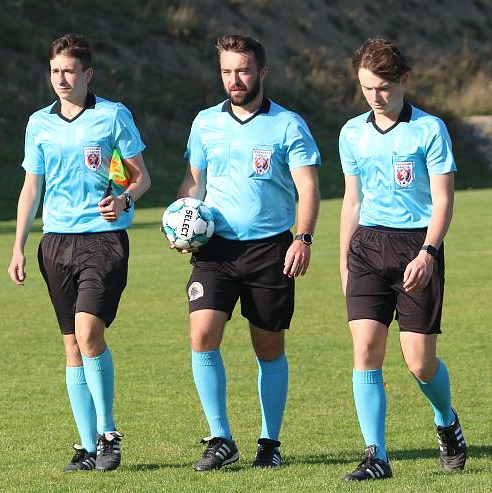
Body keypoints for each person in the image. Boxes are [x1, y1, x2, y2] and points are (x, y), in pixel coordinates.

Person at [6, 33, 150, 473]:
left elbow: (140, 177)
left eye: (70, 70)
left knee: (89, 333)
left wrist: (125, 198)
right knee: (71, 345)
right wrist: (18, 245)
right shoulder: (39, 124)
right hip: (55, 242)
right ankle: (87, 448)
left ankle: (108, 434)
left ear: (88, 74)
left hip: (102, 241)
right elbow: (32, 186)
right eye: (55, 71)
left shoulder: (112, 117)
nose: (62, 79)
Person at [176, 34, 321, 471]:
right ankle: (220, 438)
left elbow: (309, 187)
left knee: (268, 348)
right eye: (226, 71)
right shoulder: (204, 123)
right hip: (215, 248)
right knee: (202, 335)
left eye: (242, 70)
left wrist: (303, 237)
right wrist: (180, 220)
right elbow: (192, 183)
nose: (234, 79)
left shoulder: (288, 125)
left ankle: (268, 442)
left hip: (270, 250)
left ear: (261, 72)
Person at [338, 37, 467, 481]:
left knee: (418, 362)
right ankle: (377, 455)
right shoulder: (351, 132)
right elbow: (352, 201)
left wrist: (429, 253)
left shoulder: (430, 130)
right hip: (368, 248)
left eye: (385, 87)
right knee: (366, 350)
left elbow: (443, 200)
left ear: (403, 80)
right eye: (367, 88)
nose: (376, 96)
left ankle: (446, 421)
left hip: (417, 246)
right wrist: (344, 262)